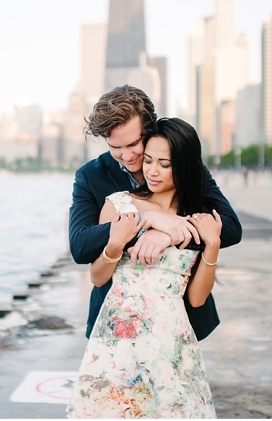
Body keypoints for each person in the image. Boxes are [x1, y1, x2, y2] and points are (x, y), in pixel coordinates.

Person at [66, 118, 220, 418]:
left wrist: (212, 244)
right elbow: (97, 278)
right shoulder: (119, 205)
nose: (151, 170)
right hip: (119, 335)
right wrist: (114, 244)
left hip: (171, 337)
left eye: (164, 164)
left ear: (184, 166)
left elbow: (197, 299)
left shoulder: (196, 217)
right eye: (148, 161)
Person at [68, 85, 242, 344]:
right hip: (116, 321)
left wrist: (169, 235)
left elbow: (229, 227)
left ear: (149, 130)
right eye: (115, 147)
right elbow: (80, 246)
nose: (126, 156)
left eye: (133, 144)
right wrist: (144, 222)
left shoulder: (184, 165)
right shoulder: (90, 176)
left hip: (178, 317)